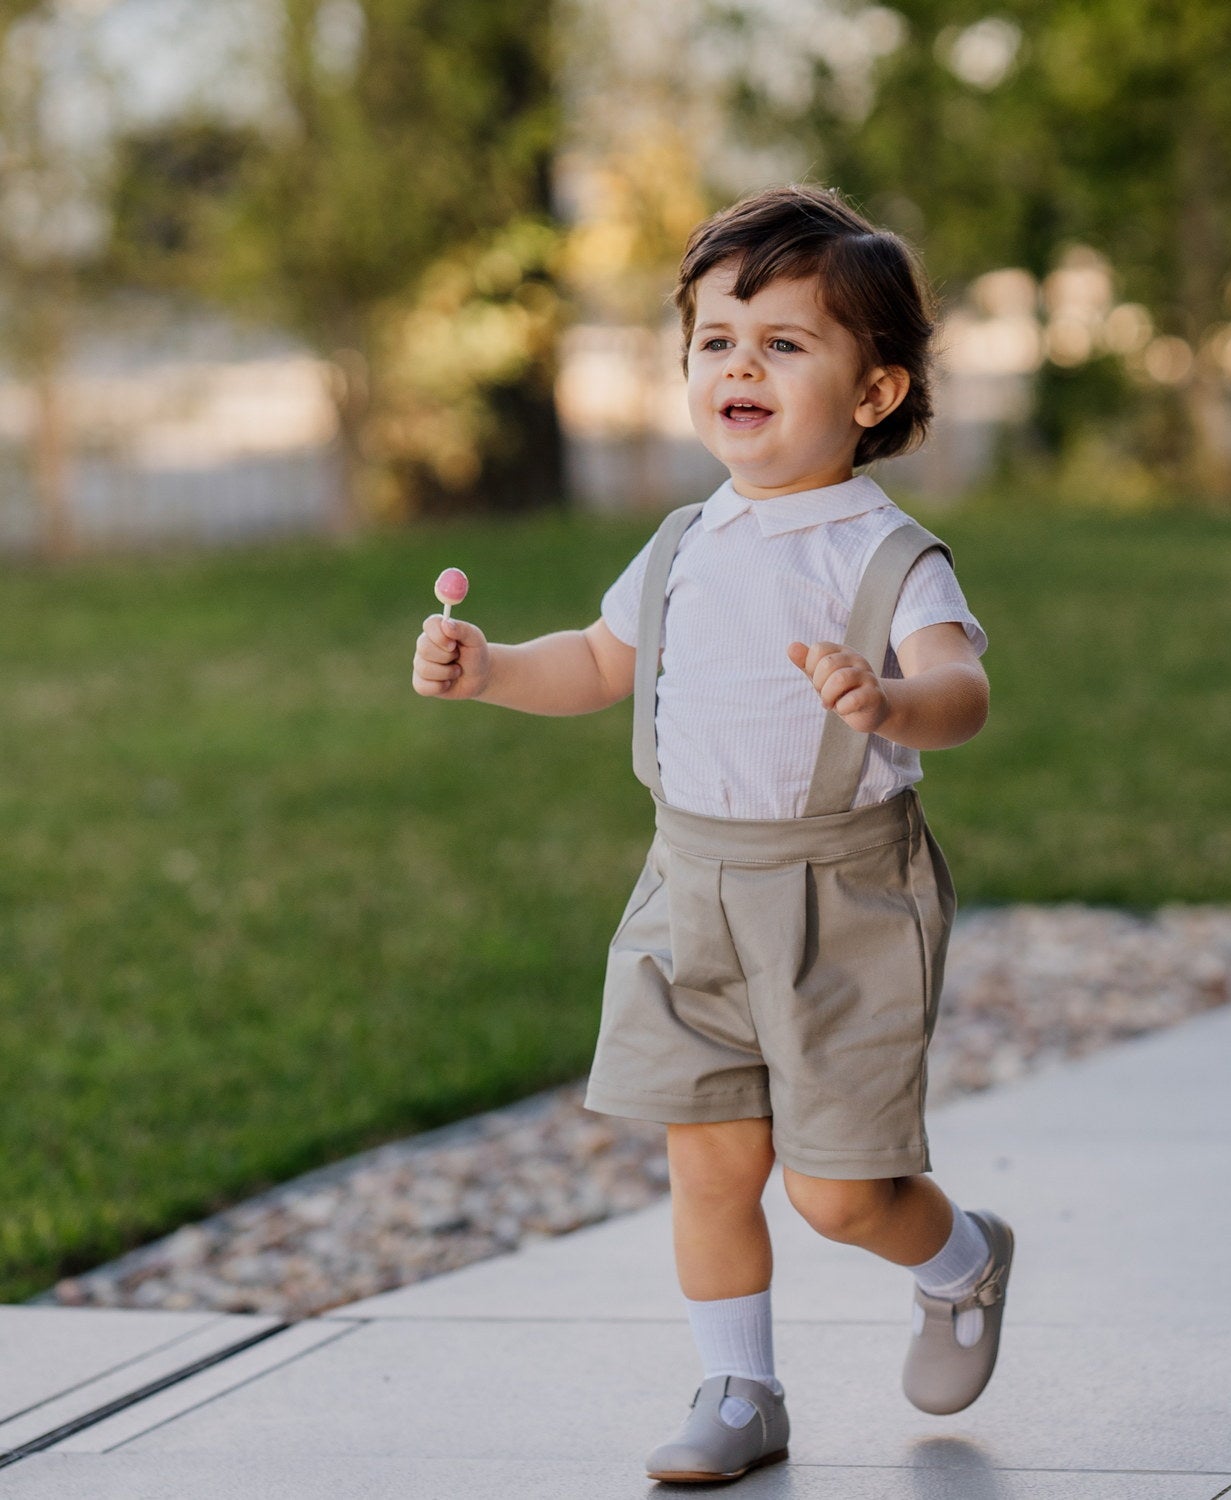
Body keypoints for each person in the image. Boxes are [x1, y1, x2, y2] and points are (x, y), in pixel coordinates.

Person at [412, 182, 1014, 1484]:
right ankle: (740, 1389)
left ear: (873, 393)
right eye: (716, 342)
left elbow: (960, 693)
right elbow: (597, 659)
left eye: (785, 345)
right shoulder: (686, 540)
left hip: (845, 902)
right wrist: (491, 668)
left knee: (838, 1193)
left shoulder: (889, 555)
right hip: (690, 886)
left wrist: (892, 699)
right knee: (710, 1167)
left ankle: (961, 1261)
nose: (740, 367)